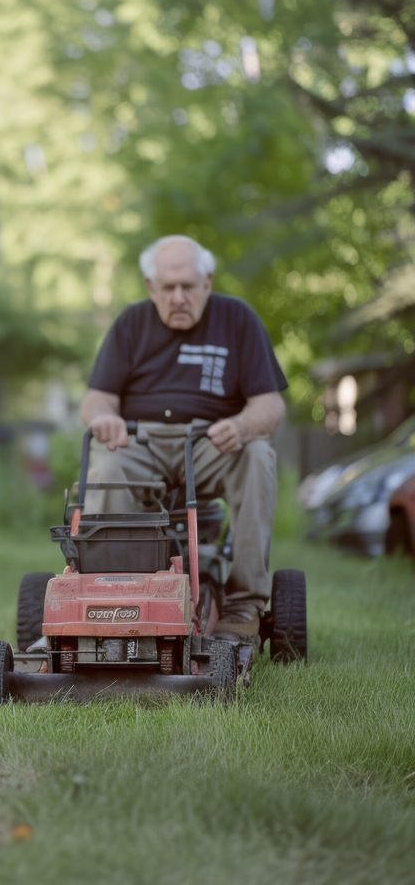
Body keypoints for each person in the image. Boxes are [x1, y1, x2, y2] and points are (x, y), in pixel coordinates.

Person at [80, 234, 287, 641]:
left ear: (207, 282)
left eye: (188, 287)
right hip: (141, 442)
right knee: (106, 462)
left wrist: (242, 426)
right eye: (168, 287)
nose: (178, 297)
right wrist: (106, 419)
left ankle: (244, 603)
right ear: (150, 288)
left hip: (212, 442)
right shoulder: (130, 323)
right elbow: (96, 400)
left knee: (258, 453)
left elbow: (271, 406)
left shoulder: (238, 319)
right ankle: (110, 597)